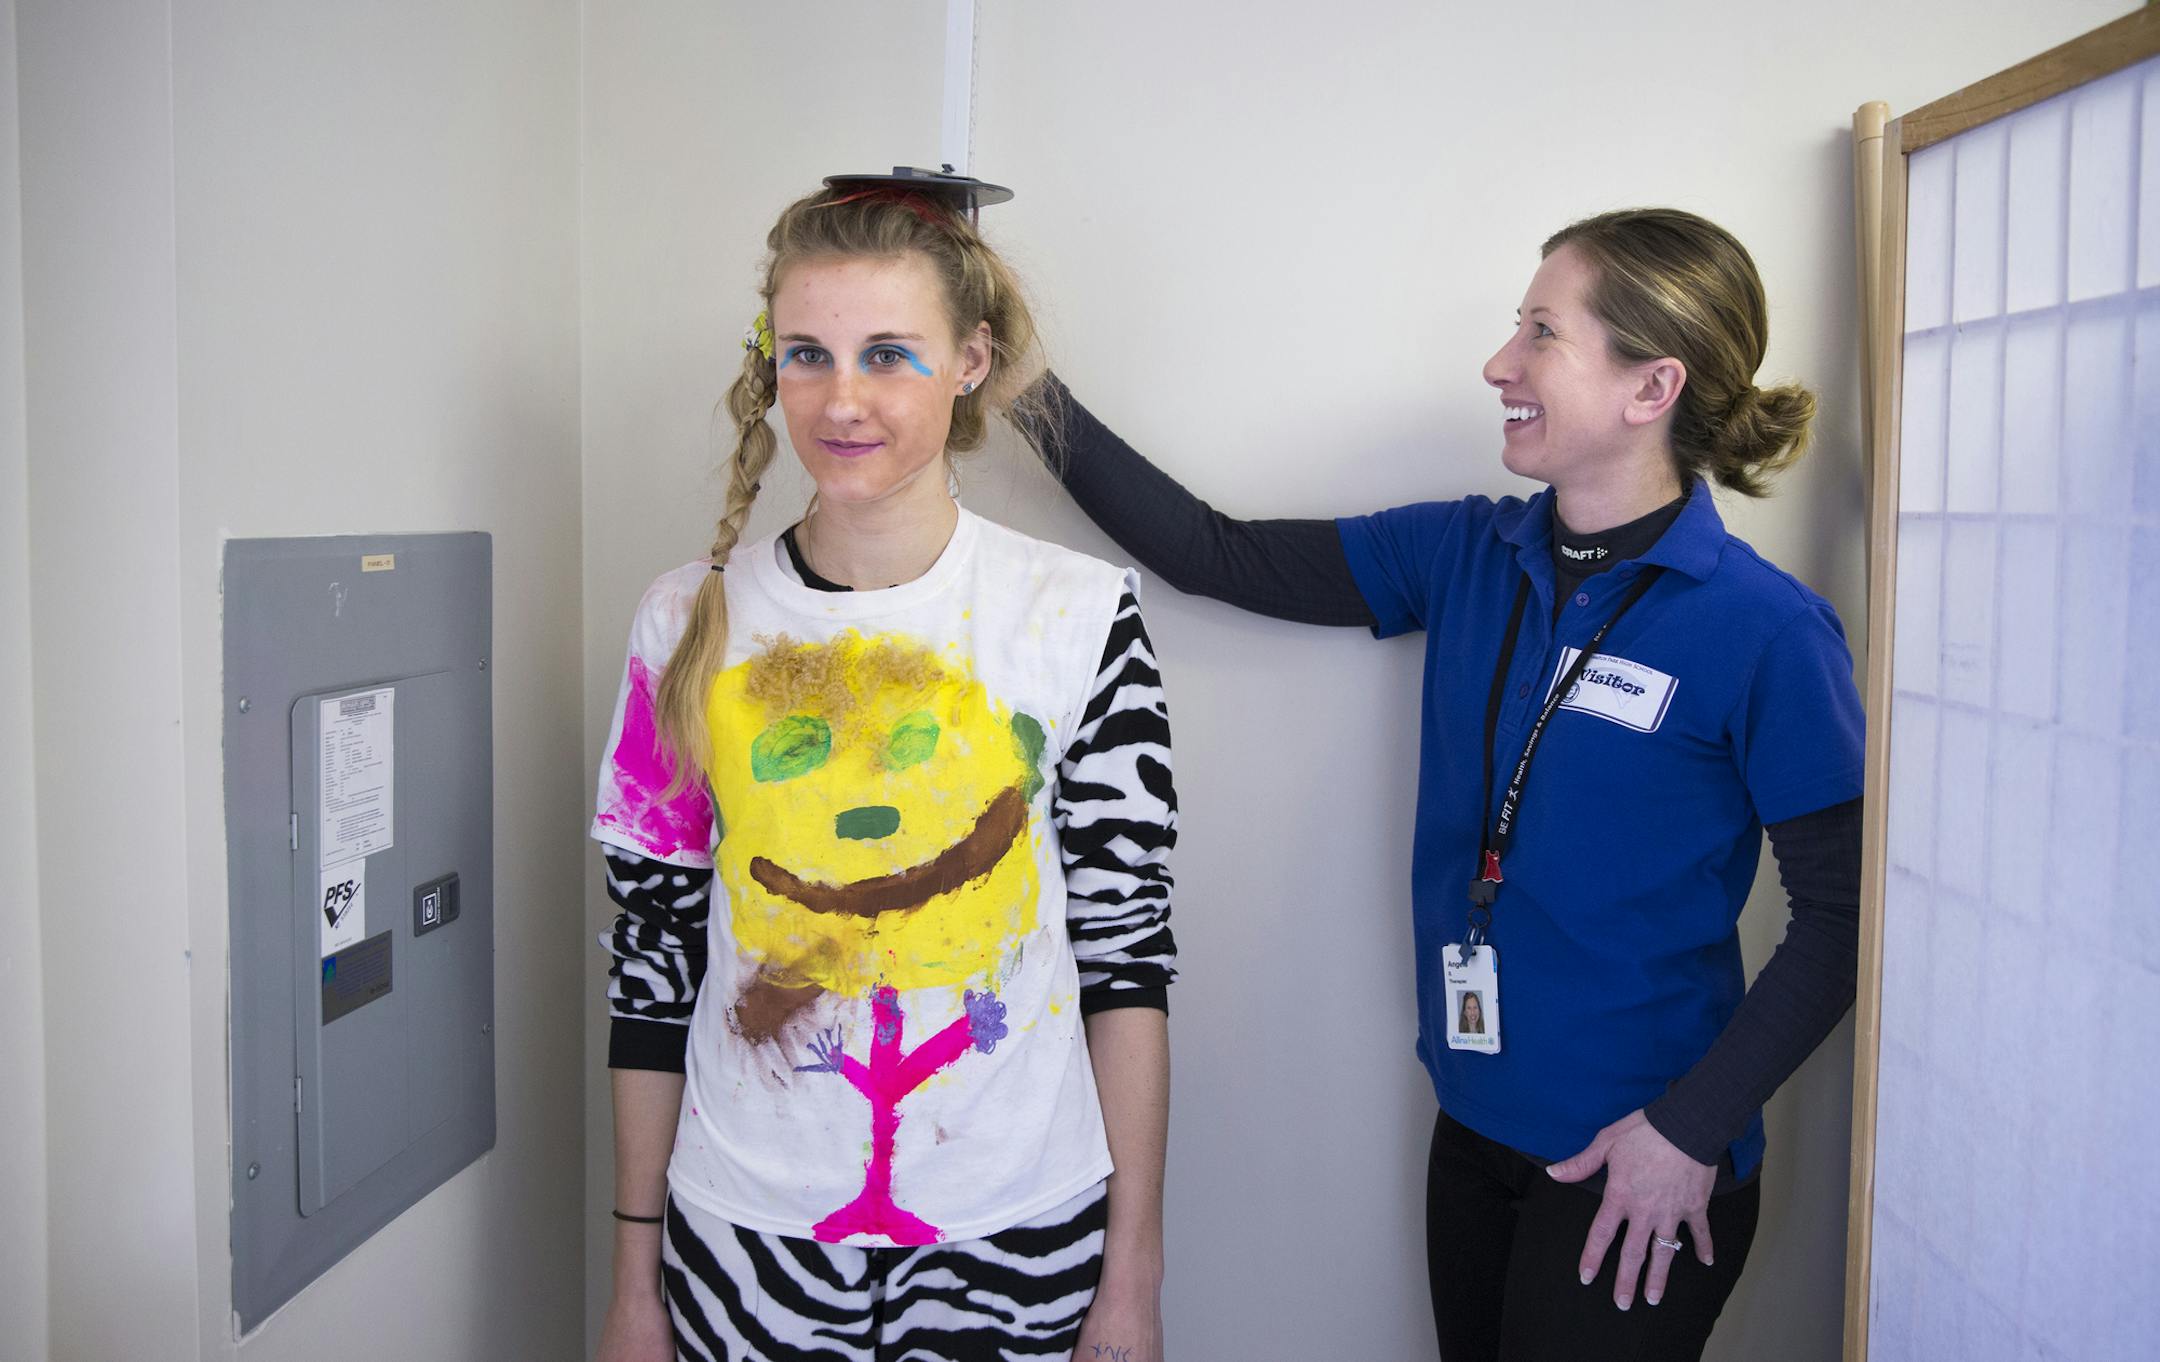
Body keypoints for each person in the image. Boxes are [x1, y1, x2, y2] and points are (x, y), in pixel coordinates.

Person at [1016, 208, 1864, 1360]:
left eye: (1541, 334)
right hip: (1472, 1132)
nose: (1498, 364)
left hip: (1642, 1163)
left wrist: (1692, 1131)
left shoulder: (1765, 629)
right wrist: (1017, 380)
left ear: (1649, 385)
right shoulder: (1470, 556)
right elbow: (1211, 553)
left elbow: (1847, 918)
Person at [591, 171, 1175, 1362]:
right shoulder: (680, 623)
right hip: (744, 1232)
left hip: (1018, 1229)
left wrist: (1133, 1274)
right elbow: (648, 971)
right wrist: (634, 1280)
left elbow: (1129, 962)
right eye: (807, 353)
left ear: (970, 362)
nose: (842, 400)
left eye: (889, 356)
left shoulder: (1077, 616)